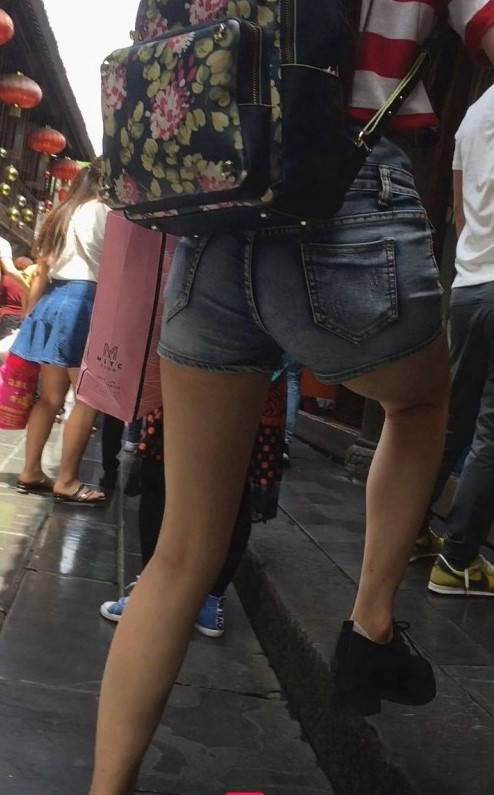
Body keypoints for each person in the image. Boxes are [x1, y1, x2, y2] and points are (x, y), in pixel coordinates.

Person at [88, 5, 494, 794]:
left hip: (214, 210)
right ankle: (370, 623)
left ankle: (106, 786)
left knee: (180, 552)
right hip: (343, 197)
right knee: (419, 406)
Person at [100, 371, 286, 634]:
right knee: (235, 482)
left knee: (162, 472)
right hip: (258, 372)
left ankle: (154, 594)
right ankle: (208, 601)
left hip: (190, 367)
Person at [412, 84, 494, 596]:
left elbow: (462, 211)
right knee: (491, 431)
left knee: (454, 420)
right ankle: (459, 561)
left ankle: (411, 531)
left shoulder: (474, 114)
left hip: (468, 287)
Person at [11, 163, 110, 504]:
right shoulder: (102, 211)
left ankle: (31, 471)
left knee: (50, 397)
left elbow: (42, 270)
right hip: (83, 299)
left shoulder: (61, 214)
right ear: (102, 181)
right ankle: (66, 480)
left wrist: (30, 315)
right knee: (87, 397)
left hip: (52, 300)